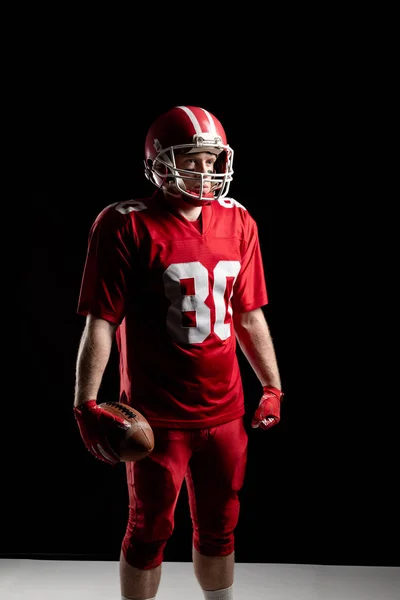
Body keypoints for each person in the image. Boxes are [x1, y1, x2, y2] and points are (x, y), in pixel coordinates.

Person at [73, 105, 284, 600]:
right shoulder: (123, 223)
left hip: (226, 409)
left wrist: (272, 385)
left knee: (220, 525)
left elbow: (250, 316)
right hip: (156, 415)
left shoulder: (239, 220)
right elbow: (101, 322)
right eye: (192, 159)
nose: (205, 172)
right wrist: (85, 402)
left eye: (212, 160)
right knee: (148, 531)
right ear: (160, 162)